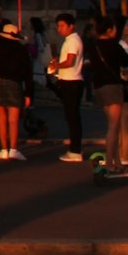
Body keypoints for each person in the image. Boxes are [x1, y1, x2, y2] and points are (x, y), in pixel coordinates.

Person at [84, 13, 128, 177]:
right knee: (113, 126)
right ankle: (110, 163)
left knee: (112, 125)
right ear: (109, 30)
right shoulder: (113, 46)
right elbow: (127, 60)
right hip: (112, 86)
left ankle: (117, 162)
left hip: (99, 87)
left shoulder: (94, 46)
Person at [0, 21, 33, 160]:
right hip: (14, 83)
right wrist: (29, 93)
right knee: (13, 118)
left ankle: (3, 149)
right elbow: (28, 74)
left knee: (1, 116)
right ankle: (13, 149)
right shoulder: (21, 51)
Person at [48, 13, 85, 162]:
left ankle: (75, 150)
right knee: (71, 117)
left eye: (62, 26)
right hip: (68, 80)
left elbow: (70, 62)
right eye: (58, 26)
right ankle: (74, 148)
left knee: (73, 118)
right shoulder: (69, 41)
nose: (59, 29)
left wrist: (56, 65)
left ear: (71, 26)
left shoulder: (73, 41)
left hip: (72, 82)